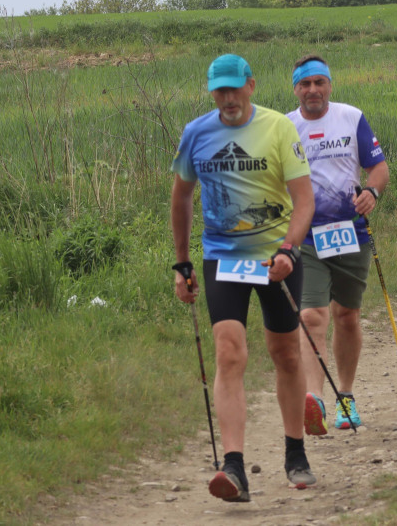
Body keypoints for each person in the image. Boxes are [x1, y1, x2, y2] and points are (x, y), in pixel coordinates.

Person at [171, 53, 317, 502]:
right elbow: (181, 198)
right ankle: (233, 467)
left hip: (276, 257)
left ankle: (295, 452)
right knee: (229, 353)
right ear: (211, 92)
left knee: (286, 354)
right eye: (220, 91)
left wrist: (290, 249)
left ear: (252, 85)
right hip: (222, 259)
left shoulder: (277, 128)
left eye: (235, 88)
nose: (228, 98)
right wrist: (182, 263)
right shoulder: (196, 133)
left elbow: (304, 200)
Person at [285, 55, 390, 434]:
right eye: (305, 84)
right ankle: (314, 399)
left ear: (330, 85)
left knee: (347, 316)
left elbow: (378, 168)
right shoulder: (285, 127)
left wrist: (373, 193)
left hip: (350, 233)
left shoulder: (351, 117)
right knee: (312, 315)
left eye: (319, 82)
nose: (313, 90)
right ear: (295, 89)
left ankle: (346, 397)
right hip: (306, 237)